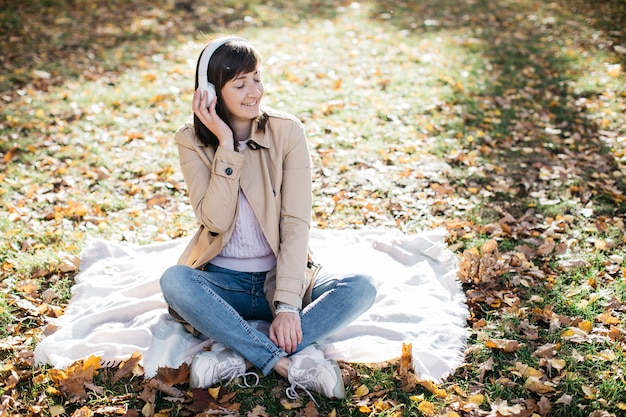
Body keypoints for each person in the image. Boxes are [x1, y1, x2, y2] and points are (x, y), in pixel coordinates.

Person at [159, 36, 377, 401]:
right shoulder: (190, 141)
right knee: (175, 281)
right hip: (222, 286)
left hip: (282, 279)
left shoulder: (286, 131)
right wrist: (227, 147)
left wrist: (289, 306)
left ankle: (240, 354)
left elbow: (296, 223)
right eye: (240, 84)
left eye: (257, 78)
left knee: (361, 286)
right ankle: (284, 362)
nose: (254, 92)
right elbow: (213, 219)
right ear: (210, 93)